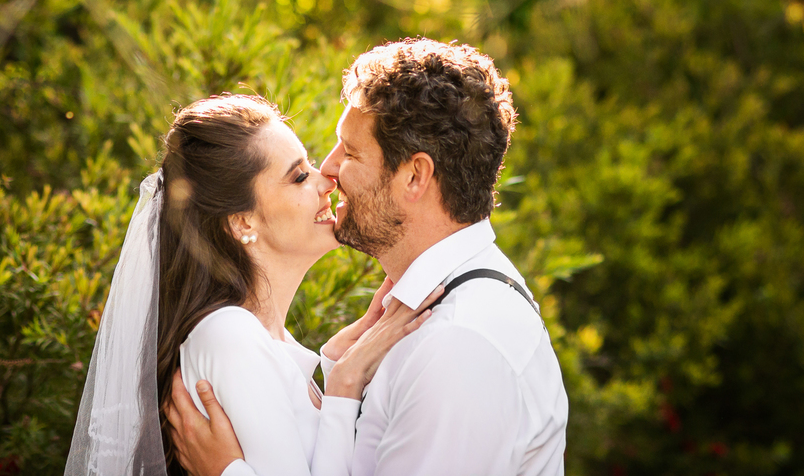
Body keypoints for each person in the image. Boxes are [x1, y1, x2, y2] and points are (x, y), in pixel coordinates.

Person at [167, 39, 569, 476]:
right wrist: (341, 373)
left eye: (351, 152)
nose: (330, 171)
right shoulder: (433, 322)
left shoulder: (457, 345)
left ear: (415, 176)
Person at [64, 94, 440, 476]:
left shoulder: (267, 342)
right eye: (299, 176)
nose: (328, 181)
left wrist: (335, 363)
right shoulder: (229, 335)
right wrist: (346, 383)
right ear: (243, 222)